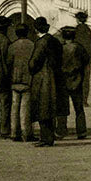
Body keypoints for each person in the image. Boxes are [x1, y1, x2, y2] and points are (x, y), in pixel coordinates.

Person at [28, 17, 58, 147]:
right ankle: (49, 137)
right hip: (53, 77)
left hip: (42, 78)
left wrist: (30, 68)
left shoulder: (41, 42)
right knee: (50, 109)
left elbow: (34, 62)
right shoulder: (54, 41)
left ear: (36, 29)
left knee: (43, 108)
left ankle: (45, 138)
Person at [8, 21, 35, 142]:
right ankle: (26, 132)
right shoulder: (32, 45)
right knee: (25, 108)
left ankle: (14, 132)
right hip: (27, 80)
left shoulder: (12, 46)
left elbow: (8, 63)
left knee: (14, 108)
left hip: (15, 79)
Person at [59, 26, 88, 138]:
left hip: (63, 80)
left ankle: (61, 130)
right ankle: (81, 131)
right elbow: (86, 61)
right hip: (76, 80)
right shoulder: (79, 48)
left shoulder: (61, 49)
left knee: (62, 107)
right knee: (78, 108)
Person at [73, 10, 91, 103]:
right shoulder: (87, 29)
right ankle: (84, 100)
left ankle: (79, 99)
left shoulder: (76, 30)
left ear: (77, 20)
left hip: (78, 59)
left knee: (78, 79)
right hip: (87, 59)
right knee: (86, 80)